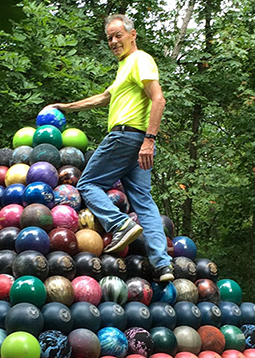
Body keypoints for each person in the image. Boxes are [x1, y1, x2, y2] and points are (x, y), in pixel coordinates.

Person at [50, 14, 173, 283]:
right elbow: (103, 98)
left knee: (88, 184)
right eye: (110, 38)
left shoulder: (141, 60)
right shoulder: (125, 68)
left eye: (118, 35)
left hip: (127, 137)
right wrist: (65, 107)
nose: (114, 41)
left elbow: (158, 99)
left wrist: (149, 139)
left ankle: (120, 224)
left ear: (133, 34)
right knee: (144, 201)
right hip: (136, 142)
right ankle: (163, 266)